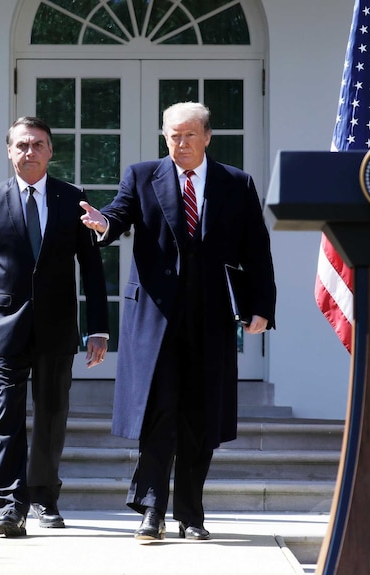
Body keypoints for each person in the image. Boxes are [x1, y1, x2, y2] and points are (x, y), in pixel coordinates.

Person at [80, 102, 276, 542]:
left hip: (210, 319)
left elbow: (256, 250)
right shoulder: (142, 175)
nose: (181, 144)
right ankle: (152, 511)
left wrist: (262, 305)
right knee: (159, 411)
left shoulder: (236, 183)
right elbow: (118, 213)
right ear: (163, 137)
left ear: (207, 137)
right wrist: (102, 224)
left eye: (189, 135)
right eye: (173, 136)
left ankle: (191, 515)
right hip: (155, 318)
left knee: (200, 418)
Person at [0, 116, 109, 537]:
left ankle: (44, 497)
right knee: (7, 414)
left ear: (50, 151)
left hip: (59, 328)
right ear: (9, 151)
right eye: (21, 145)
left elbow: (92, 271)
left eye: (38, 144)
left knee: (52, 414)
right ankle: (9, 505)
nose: (29, 152)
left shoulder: (72, 199)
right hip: (5, 326)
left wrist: (98, 328)